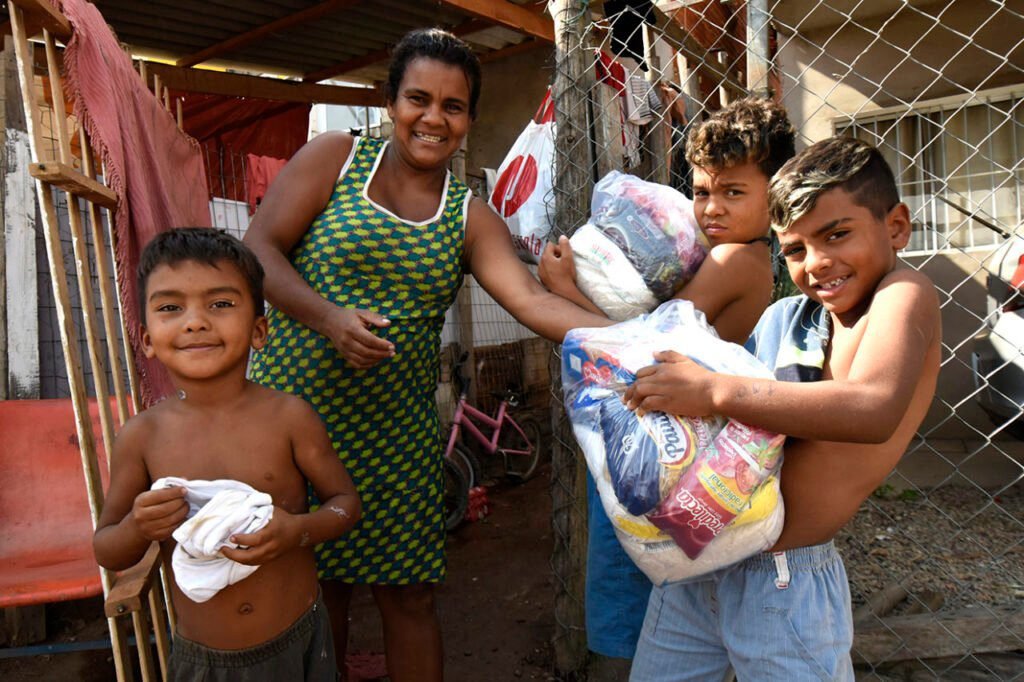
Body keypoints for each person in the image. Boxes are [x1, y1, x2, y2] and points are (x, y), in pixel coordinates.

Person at [242, 28, 614, 682]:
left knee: (408, 594)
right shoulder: (335, 159)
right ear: (391, 103)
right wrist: (329, 318)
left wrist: (633, 340)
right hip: (293, 425)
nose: (433, 119)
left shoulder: (468, 217)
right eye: (419, 99)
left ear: (469, 118)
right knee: (315, 590)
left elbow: (530, 303)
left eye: (453, 106)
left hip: (395, 434)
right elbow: (258, 252)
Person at [624, 137, 941, 681]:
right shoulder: (787, 319)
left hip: (783, 580)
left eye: (836, 235)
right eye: (794, 249)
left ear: (895, 227)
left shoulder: (903, 295)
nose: (817, 263)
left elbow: (873, 407)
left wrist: (713, 391)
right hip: (702, 557)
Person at [539, 97, 795, 677]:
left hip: (661, 455)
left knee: (626, 603)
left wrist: (561, 290)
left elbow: (642, 349)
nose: (710, 208)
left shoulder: (733, 260)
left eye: (734, 192)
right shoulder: (752, 257)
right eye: (703, 191)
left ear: (774, 193)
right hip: (679, 452)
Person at [93, 228, 361, 681]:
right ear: (147, 339)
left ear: (259, 330)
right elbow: (107, 548)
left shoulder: (290, 417)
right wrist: (140, 526)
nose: (195, 321)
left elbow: (346, 505)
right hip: (206, 662)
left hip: (301, 641)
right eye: (170, 307)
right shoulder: (141, 437)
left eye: (220, 304)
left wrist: (297, 531)